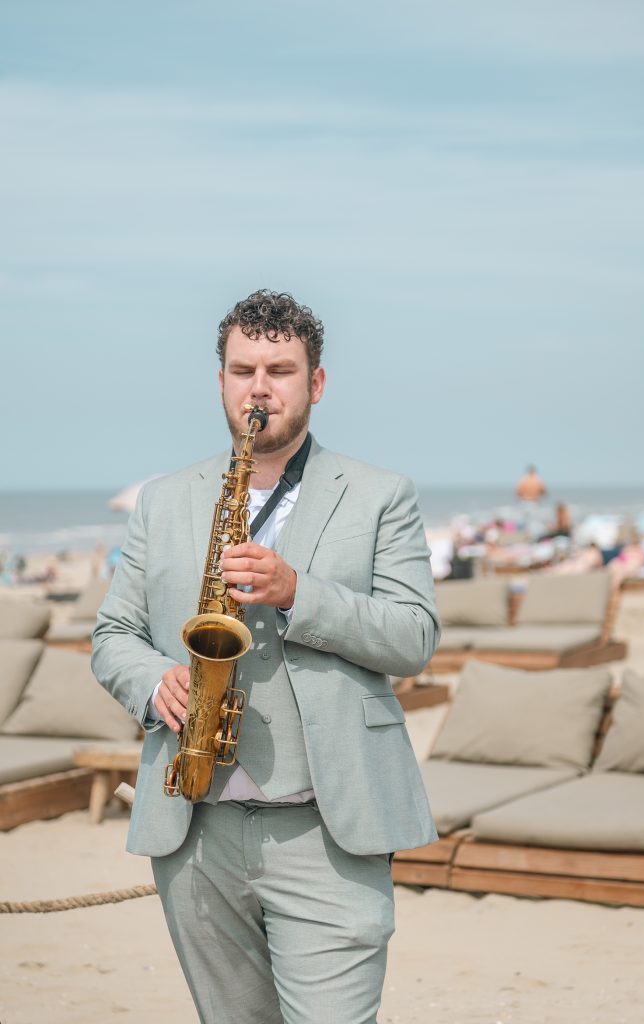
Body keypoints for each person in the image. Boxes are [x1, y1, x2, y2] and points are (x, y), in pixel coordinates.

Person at [91, 289, 439, 1024]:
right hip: (196, 830)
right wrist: (155, 682)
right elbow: (113, 634)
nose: (259, 388)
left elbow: (413, 636)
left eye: (279, 370)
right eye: (243, 369)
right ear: (219, 379)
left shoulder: (381, 496)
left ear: (315, 383)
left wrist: (296, 593)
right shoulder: (163, 500)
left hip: (327, 831)